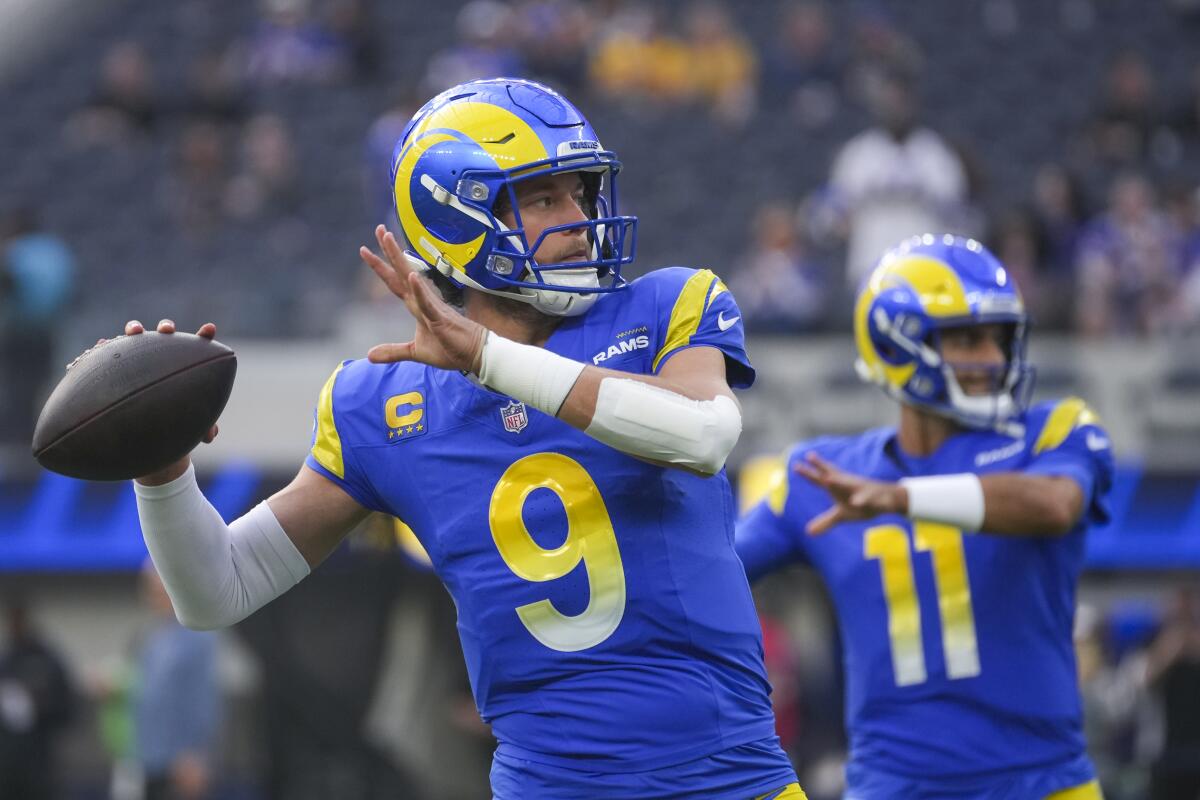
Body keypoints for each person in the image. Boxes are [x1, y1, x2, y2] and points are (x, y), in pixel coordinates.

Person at [121, 78, 804, 799]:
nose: (578, 218)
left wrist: (488, 358)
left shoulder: (667, 304)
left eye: (581, 192)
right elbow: (215, 591)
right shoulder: (383, 404)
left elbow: (703, 433)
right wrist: (162, 473)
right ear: (457, 220)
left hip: (732, 781)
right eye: (544, 198)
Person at [736, 235, 1114, 799]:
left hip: (1042, 783)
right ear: (896, 345)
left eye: (998, 339)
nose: (991, 358)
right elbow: (715, 575)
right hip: (891, 786)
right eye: (967, 338)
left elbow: (1053, 505)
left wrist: (903, 497)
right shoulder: (822, 476)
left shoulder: (1053, 431)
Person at [133, 561, 220, 800]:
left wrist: (197, 754)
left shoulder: (198, 634)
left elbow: (203, 700)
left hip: (181, 765)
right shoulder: (152, 639)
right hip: (151, 761)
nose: (154, 595)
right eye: (149, 588)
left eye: (159, 587)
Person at [0, 597, 77, 800]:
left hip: (39, 760)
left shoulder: (47, 660)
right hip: (6, 763)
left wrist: (38, 707)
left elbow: (67, 710)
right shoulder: (5, 660)